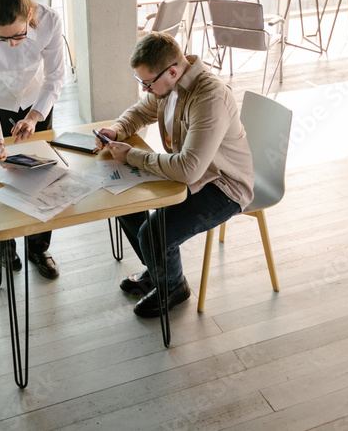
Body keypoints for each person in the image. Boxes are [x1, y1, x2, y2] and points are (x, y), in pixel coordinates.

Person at [95, 32, 254, 317]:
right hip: (192, 174)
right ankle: (159, 267)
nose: (144, 89)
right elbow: (139, 112)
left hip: (224, 186)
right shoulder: (167, 86)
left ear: (171, 71)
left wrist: (131, 155)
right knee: (124, 202)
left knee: (154, 234)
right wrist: (117, 130)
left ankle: (173, 287)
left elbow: (188, 169)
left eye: (147, 83)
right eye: (140, 81)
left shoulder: (209, 97)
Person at [0, 0, 65, 279]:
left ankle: (38, 247)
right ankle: (3, 248)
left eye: (18, 35)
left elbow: (55, 77)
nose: (11, 43)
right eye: (2, 38)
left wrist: (35, 116)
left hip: (38, 101)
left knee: (42, 176)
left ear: (30, 15)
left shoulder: (50, 21)